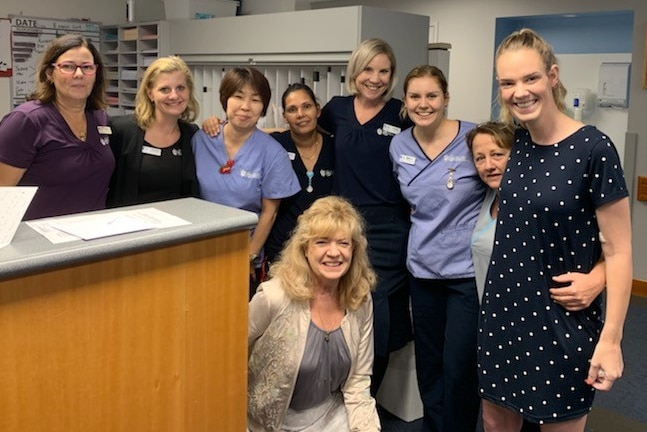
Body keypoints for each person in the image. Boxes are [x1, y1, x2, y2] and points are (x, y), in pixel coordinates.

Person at [478, 28, 632, 431]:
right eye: (507, 83)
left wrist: (611, 340)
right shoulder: (518, 144)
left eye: (530, 78)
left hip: (561, 319)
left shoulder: (594, 149)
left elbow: (619, 251)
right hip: (504, 313)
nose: (519, 91)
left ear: (552, 76)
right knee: (496, 424)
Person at [467, 121, 608, 432]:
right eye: (480, 157)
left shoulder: (553, 198)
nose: (489, 164)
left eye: (498, 154)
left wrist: (600, 276)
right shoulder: (484, 199)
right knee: (496, 419)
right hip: (498, 324)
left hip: (552, 323)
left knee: (550, 417)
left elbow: (615, 247)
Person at [389, 64, 482, 432]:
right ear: (405, 101)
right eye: (415, 96)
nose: (423, 103)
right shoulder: (399, 144)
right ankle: (435, 426)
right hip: (422, 271)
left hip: (465, 274)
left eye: (431, 96)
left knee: (459, 365)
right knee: (429, 362)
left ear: (446, 98)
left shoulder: (473, 137)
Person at [318, 38, 413, 396]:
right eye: (368, 69)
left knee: (380, 311)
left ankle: (366, 397)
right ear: (355, 72)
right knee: (342, 303)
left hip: (389, 225)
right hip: (343, 224)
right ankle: (337, 393)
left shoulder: (402, 114)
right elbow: (303, 135)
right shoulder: (336, 109)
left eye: (383, 71)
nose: (375, 78)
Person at [248, 195, 380, 431]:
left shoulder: (359, 298)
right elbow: (228, 355)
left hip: (330, 416)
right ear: (305, 249)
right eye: (322, 242)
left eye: (343, 243)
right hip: (271, 424)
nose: (334, 252)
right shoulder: (274, 297)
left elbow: (358, 381)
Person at [191, 67, 300, 298]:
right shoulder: (201, 140)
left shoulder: (273, 153)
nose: (245, 106)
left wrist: (249, 256)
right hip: (196, 251)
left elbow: (269, 213)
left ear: (263, 107)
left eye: (255, 100)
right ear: (225, 99)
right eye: (238, 96)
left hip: (241, 254)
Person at [0, 33, 114, 220]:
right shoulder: (25, 121)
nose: (79, 74)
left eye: (87, 67)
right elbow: (2, 194)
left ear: (96, 74)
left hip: (93, 238)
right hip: (38, 242)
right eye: (68, 67)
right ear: (50, 74)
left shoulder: (99, 118)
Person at [107, 56, 200, 207]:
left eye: (180, 88)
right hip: (130, 225)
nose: (174, 95)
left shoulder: (192, 134)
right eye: (164, 89)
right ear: (150, 93)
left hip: (178, 226)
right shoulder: (122, 131)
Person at [263, 83, 335, 271]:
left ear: (318, 110)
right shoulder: (276, 145)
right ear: (285, 117)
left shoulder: (335, 147)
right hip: (282, 251)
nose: (301, 114)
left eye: (306, 106)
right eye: (292, 110)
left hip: (325, 251)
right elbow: (246, 135)